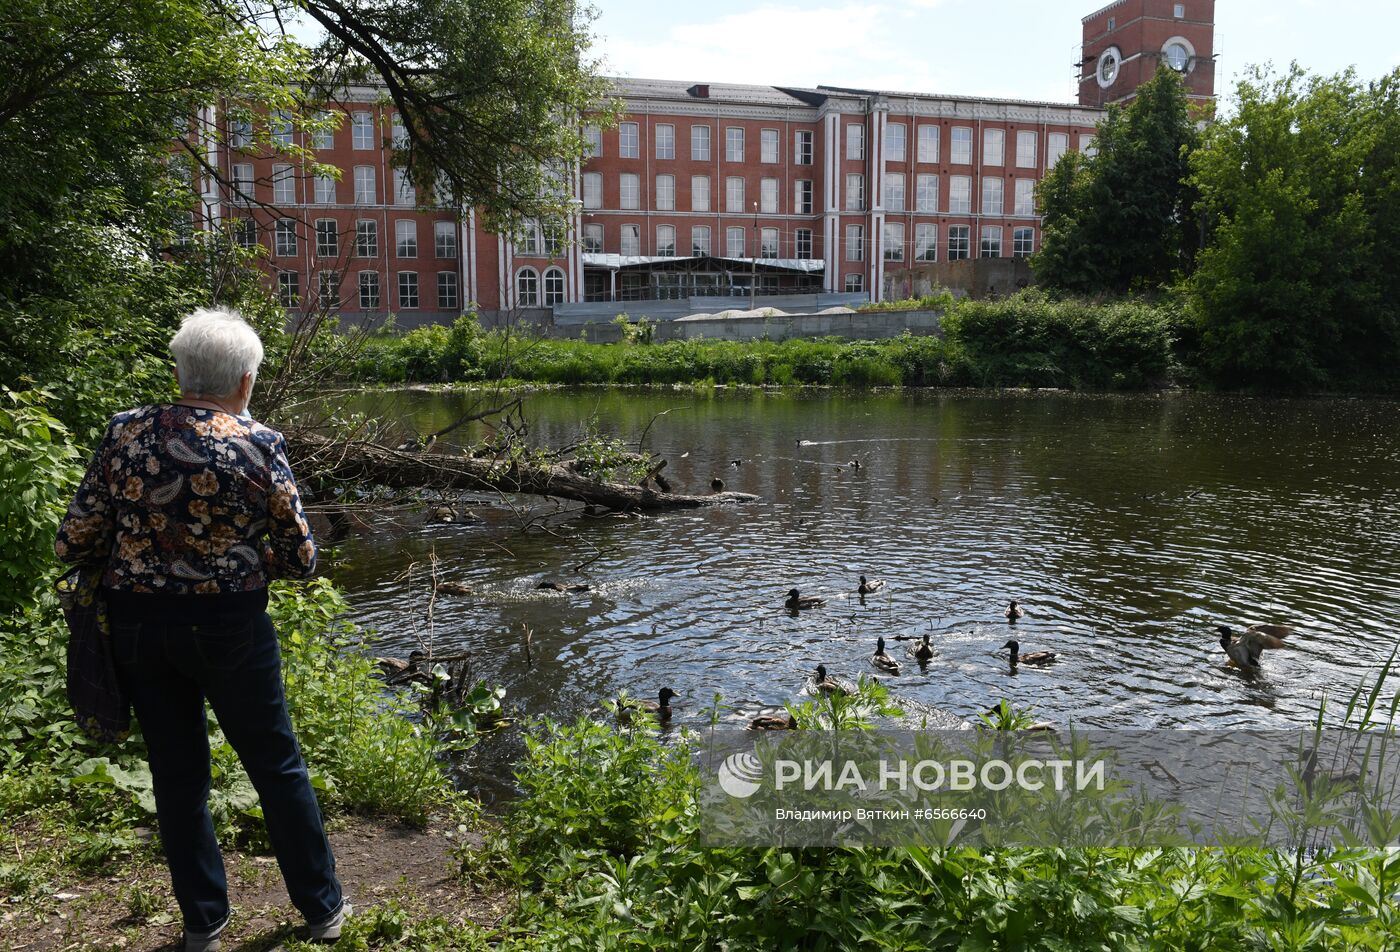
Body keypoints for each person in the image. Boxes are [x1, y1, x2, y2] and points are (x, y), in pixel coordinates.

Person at [54, 307, 348, 951]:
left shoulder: (125, 433)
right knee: (275, 764)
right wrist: (241, 559)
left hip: (137, 626)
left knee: (177, 773)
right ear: (245, 381)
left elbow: (72, 540)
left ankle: (202, 924)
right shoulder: (257, 443)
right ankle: (322, 910)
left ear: (181, 372)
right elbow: (302, 558)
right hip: (229, 626)